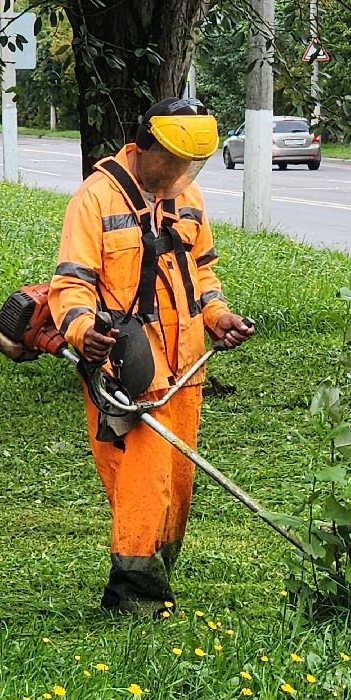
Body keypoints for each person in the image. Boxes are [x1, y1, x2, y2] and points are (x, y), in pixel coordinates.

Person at [49, 97, 256, 617]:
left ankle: (159, 573)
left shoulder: (189, 198)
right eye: (174, 161)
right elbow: (71, 284)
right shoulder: (95, 199)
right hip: (127, 366)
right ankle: (133, 598)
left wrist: (218, 317)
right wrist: (82, 333)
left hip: (186, 365)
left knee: (177, 484)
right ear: (146, 145)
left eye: (193, 164)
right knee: (143, 479)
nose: (182, 174)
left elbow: (202, 273)